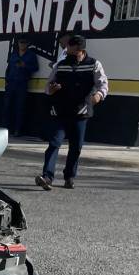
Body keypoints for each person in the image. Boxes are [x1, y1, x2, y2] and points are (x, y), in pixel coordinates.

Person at [36, 35, 108, 190]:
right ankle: (47, 177)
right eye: (67, 47)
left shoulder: (94, 64)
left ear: (80, 49)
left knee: (76, 147)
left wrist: (98, 96)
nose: (67, 49)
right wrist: (51, 90)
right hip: (60, 111)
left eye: (70, 47)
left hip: (81, 112)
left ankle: (69, 176)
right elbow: (48, 86)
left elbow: (103, 85)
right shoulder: (61, 65)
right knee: (54, 143)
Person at [4, 38, 38, 137]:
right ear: (18, 43)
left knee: (20, 108)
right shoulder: (14, 54)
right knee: (7, 107)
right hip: (11, 83)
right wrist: (6, 80)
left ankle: (17, 130)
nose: (22, 44)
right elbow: (8, 68)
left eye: (24, 42)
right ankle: (5, 129)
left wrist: (25, 65)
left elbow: (35, 68)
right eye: (20, 42)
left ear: (27, 44)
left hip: (22, 84)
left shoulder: (31, 55)